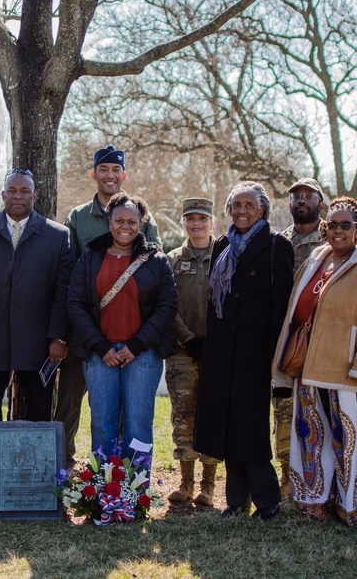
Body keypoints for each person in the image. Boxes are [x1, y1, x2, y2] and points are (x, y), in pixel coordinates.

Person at [272, 197, 357, 526]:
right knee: (311, 441)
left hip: (348, 374)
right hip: (309, 370)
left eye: (346, 225)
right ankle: (314, 502)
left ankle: (355, 507)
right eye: (332, 225)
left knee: (349, 444)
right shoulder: (318, 259)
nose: (337, 230)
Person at [0, 169, 74, 471]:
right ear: (3, 194)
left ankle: (34, 470)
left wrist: (58, 337)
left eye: (25, 190)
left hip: (39, 341)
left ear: (35, 195)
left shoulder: (57, 236)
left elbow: (64, 293)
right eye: (13, 190)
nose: (18, 195)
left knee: (39, 406)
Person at [192, 182, 293, 520]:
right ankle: (236, 501)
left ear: (262, 210)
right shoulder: (222, 243)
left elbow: (281, 305)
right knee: (227, 423)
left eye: (249, 205)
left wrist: (274, 357)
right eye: (236, 205)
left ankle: (267, 500)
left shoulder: (278, 245)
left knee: (250, 426)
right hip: (222, 350)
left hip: (255, 351)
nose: (242, 211)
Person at [59, 144, 160, 464]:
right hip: (88, 330)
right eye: (104, 169)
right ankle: (66, 458)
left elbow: (155, 266)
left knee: (131, 411)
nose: (110, 175)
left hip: (131, 327)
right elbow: (69, 273)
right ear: (94, 174)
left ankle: (127, 477)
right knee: (73, 399)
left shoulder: (142, 214)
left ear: (124, 174)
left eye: (116, 170)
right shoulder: (77, 217)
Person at [67, 192, 176, 464]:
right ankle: (104, 492)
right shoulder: (90, 259)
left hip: (142, 355)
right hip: (99, 354)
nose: (124, 226)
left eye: (132, 221)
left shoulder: (156, 261)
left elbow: (167, 307)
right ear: (109, 221)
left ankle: (136, 493)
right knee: (103, 423)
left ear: (142, 223)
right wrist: (101, 347)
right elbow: (76, 304)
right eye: (119, 220)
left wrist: (137, 346)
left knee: (138, 425)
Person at [164, 197, 221, 506]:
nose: (196, 223)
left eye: (202, 218)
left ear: (211, 221)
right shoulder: (173, 260)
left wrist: (214, 342)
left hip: (216, 353)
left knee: (211, 417)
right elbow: (167, 306)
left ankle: (208, 487)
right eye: (190, 218)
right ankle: (186, 483)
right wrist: (188, 340)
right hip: (182, 353)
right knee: (183, 418)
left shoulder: (225, 256)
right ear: (183, 222)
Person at [274, 177, 326, 497]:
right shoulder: (279, 242)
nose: (301, 201)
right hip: (284, 340)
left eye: (308, 196)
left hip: (320, 340)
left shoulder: (332, 238)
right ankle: (286, 475)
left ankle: (318, 473)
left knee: (318, 408)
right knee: (282, 407)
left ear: (321, 203)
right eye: (296, 197)